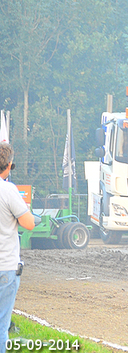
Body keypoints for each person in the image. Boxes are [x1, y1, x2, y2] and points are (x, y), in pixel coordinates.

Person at [0, 143, 35, 352]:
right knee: (2, 327)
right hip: (5, 266)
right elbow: (29, 223)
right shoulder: (9, 190)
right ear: (9, 164)